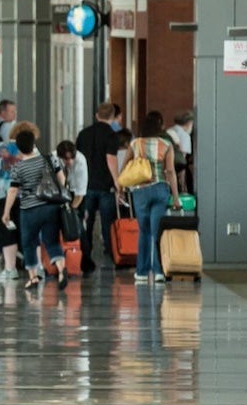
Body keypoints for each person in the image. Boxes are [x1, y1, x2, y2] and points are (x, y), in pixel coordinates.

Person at [1, 130, 69, 291]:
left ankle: (33, 277)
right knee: (51, 241)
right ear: (34, 144)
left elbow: (12, 191)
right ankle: (61, 269)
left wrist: (6, 212)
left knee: (29, 243)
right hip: (51, 207)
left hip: (29, 210)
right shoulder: (49, 158)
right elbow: (62, 179)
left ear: (18, 148)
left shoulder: (18, 167)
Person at [123, 111, 183, 283]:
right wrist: (176, 198)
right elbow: (170, 172)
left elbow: (126, 165)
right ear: (160, 126)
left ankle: (141, 272)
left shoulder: (135, 144)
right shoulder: (166, 144)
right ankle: (158, 272)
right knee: (158, 231)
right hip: (160, 189)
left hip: (140, 190)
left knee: (144, 231)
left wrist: (120, 186)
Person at [0, 120, 39, 281]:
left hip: (1, 196)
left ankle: (10, 269)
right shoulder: (33, 150)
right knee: (29, 232)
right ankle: (35, 269)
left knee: (7, 232)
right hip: (26, 197)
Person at [73, 102, 125, 274]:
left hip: (85, 185)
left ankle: (85, 255)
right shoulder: (112, 135)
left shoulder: (83, 134)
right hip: (105, 186)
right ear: (113, 117)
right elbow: (111, 159)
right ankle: (111, 255)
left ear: (97, 115)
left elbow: (76, 159)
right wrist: (118, 183)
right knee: (107, 223)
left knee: (86, 221)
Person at [166, 111, 195, 196]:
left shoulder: (169, 131)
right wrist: (182, 183)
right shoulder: (185, 135)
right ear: (189, 123)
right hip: (175, 168)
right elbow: (182, 159)